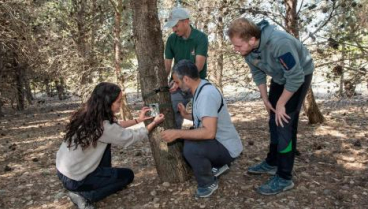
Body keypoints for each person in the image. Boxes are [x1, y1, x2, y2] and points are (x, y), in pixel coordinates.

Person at [227, 18, 314, 195]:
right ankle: (273, 161)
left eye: (238, 46)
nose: (236, 50)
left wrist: (281, 103)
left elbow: (295, 77)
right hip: (280, 77)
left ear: (251, 40)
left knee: (284, 124)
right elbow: (257, 72)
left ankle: (284, 177)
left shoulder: (280, 43)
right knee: (273, 121)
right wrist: (266, 99)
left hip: (299, 76)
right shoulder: (249, 50)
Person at [56, 82, 165, 209]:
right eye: (118, 102)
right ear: (107, 103)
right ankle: (84, 195)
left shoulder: (88, 115)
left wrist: (138, 120)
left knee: (105, 146)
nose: (120, 105)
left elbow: (115, 125)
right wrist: (153, 124)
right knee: (127, 176)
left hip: (63, 172)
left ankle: (97, 180)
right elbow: (129, 137)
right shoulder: (103, 127)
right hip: (77, 180)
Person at [161, 60, 243, 198]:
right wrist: (186, 115)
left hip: (227, 148)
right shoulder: (201, 88)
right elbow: (207, 118)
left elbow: (209, 132)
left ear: (186, 79)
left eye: (177, 82)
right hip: (219, 143)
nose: (176, 86)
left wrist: (177, 133)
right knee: (188, 138)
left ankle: (208, 182)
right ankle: (217, 166)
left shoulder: (206, 95)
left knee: (191, 147)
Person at [164, 7, 209, 129]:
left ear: (186, 22)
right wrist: (165, 83)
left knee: (202, 113)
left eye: (176, 26)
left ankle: (201, 137)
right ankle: (176, 140)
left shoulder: (200, 38)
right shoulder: (171, 39)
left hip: (196, 82)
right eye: (172, 26)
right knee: (173, 111)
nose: (173, 29)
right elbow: (167, 64)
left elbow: (198, 66)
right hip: (177, 84)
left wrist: (179, 81)